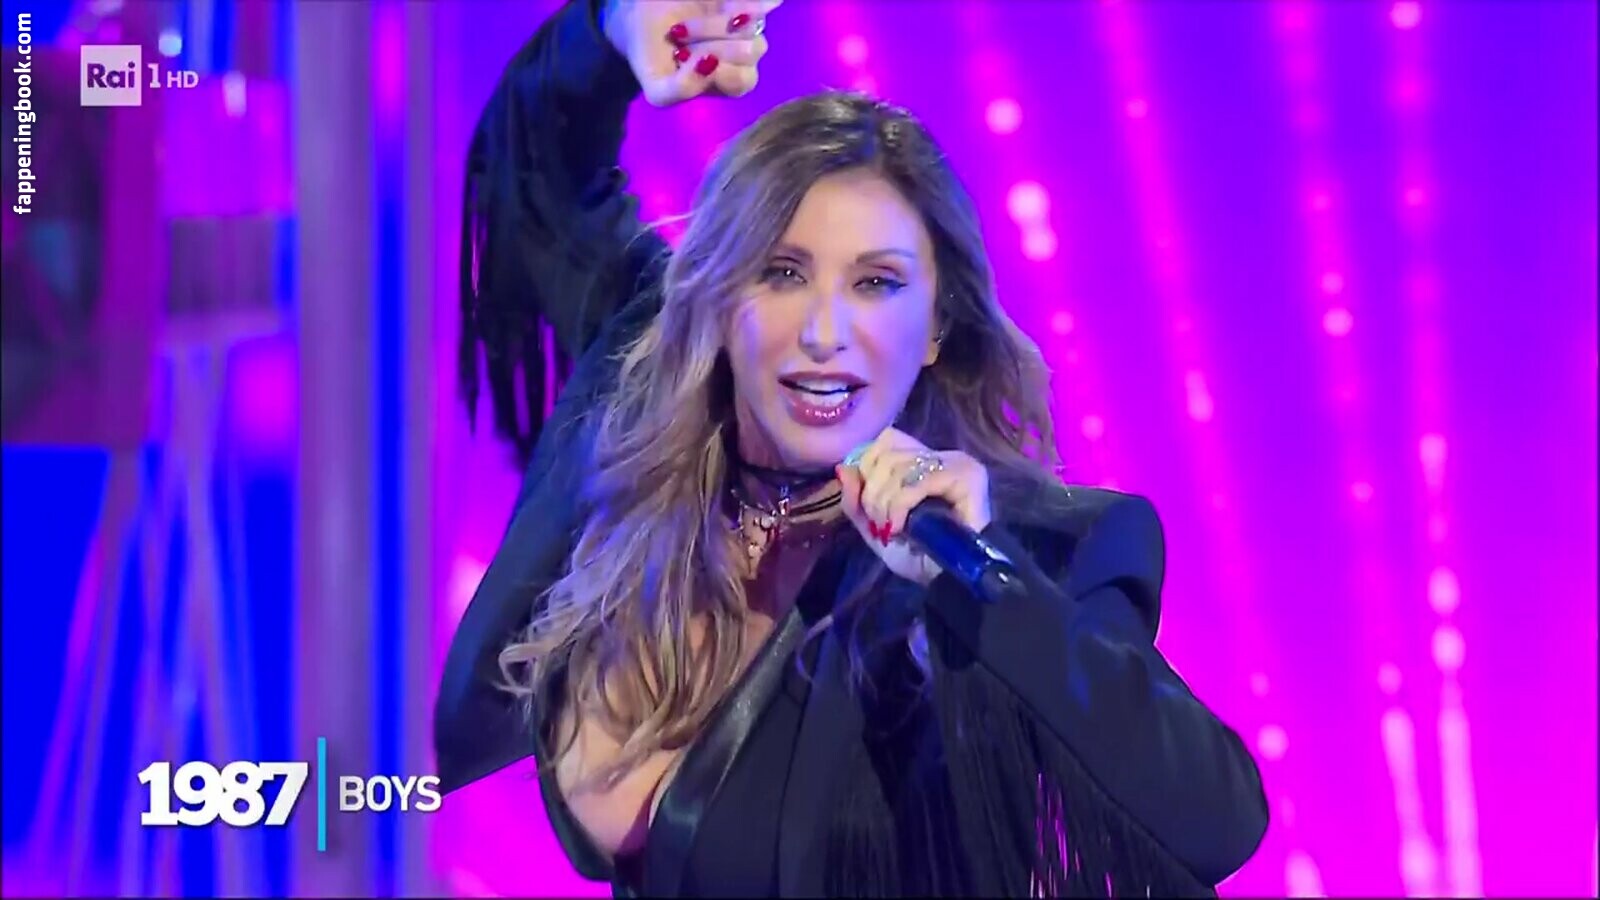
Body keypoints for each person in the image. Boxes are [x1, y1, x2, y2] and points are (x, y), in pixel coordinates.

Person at [434, 0, 1269, 896]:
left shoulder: (1036, 552)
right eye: (782, 272)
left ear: (938, 326)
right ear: (718, 298)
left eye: (876, 283)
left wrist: (980, 579)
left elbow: (1214, 818)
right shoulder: (634, 404)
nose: (824, 331)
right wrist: (614, 29)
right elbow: (536, 172)